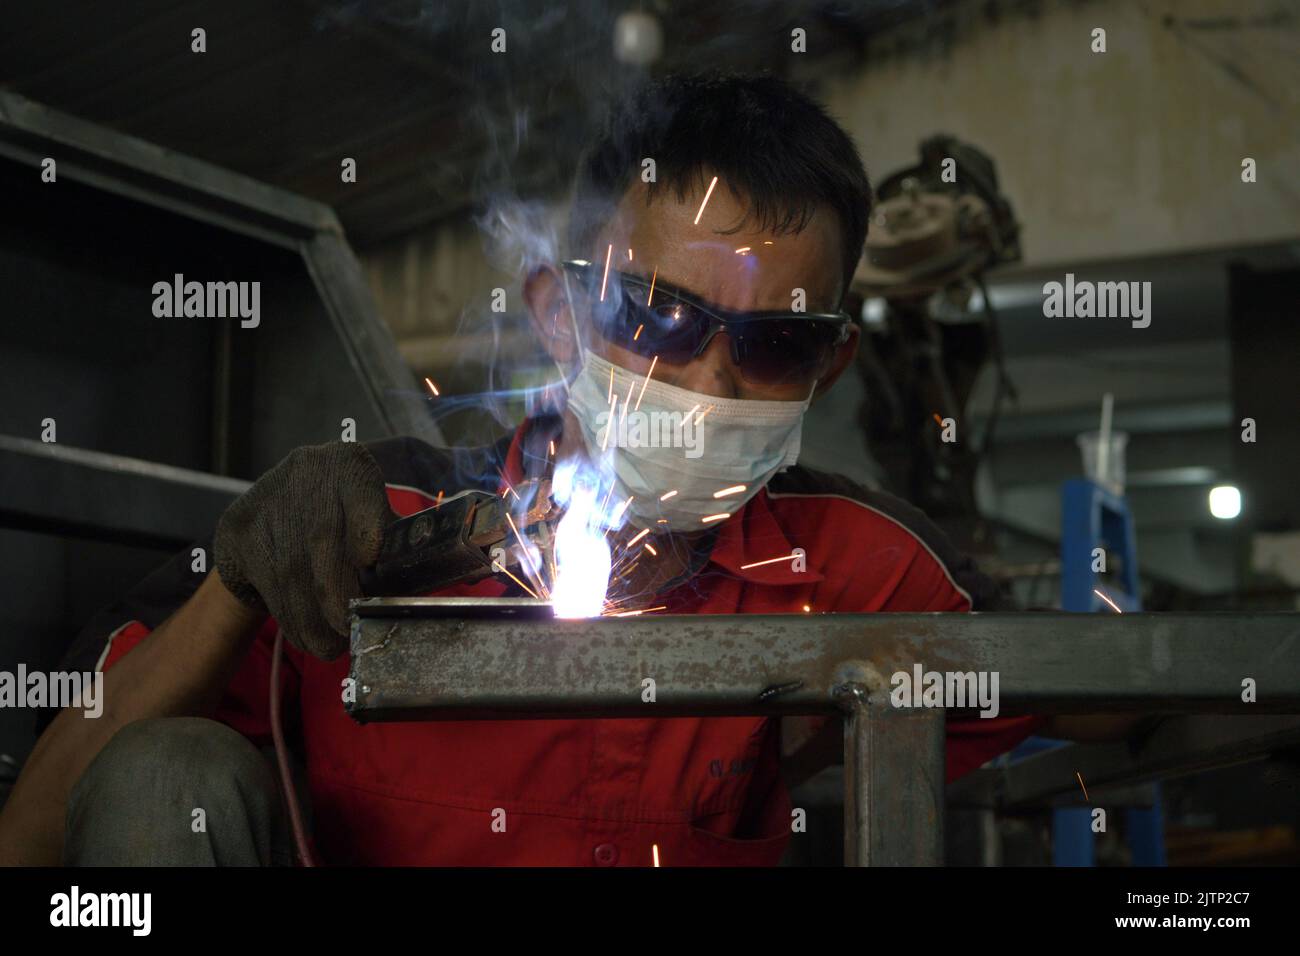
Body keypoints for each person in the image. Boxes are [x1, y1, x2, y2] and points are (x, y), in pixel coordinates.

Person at [0, 72, 1108, 867]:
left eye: (775, 343)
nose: (714, 383)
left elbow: (1114, 693)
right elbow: (36, 837)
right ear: (561, 314)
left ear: (830, 362)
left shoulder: (854, 563)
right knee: (164, 779)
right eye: (659, 316)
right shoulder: (366, 528)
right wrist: (239, 589)